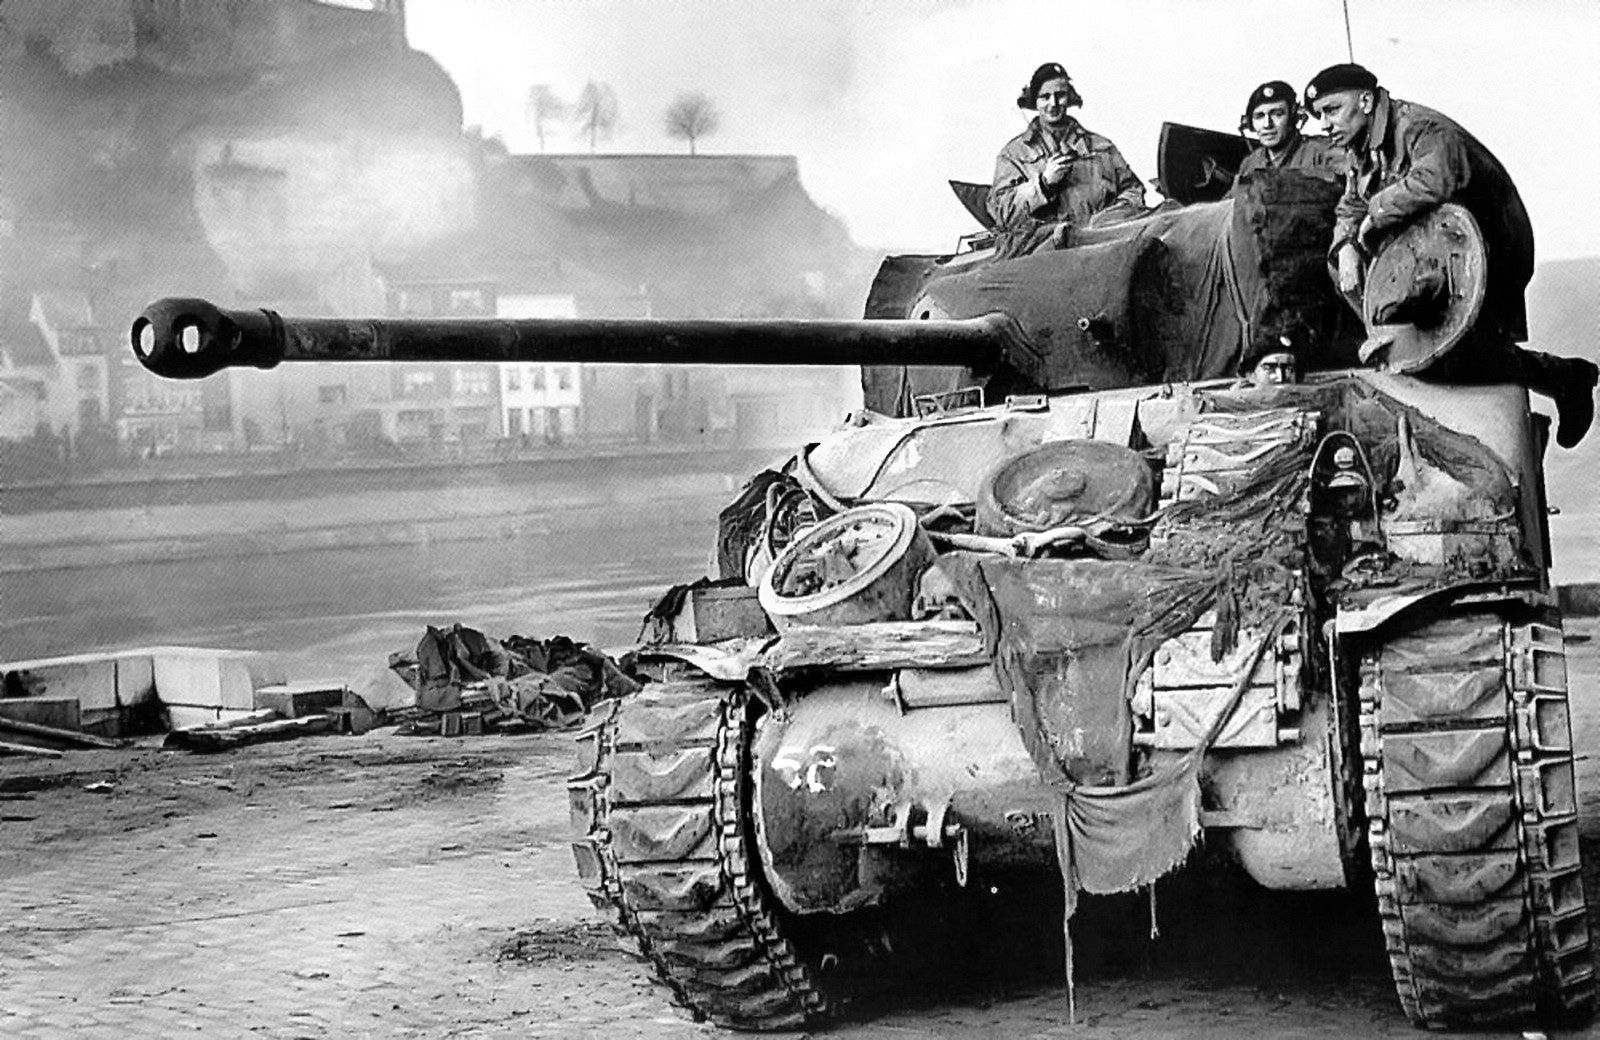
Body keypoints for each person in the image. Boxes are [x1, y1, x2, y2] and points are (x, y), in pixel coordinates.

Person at [1306, 62, 1598, 448]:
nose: (1325, 123)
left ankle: (1565, 379)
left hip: (1491, 246)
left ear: (1364, 100)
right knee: (1427, 357)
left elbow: (1437, 179)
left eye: (1331, 110)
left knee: (1451, 358)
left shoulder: (1419, 128)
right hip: (1437, 255)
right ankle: (1562, 377)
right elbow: (1349, 207)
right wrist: (1345, 246)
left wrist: (1375, 213)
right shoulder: (1361, 148)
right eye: (1319, 115)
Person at [988, 62, 1146, 257]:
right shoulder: (1013, 155)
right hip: (1046, 261)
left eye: (1060, 95)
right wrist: (1043, 185)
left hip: (1104, 253)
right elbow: (1002, 213)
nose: (1053, 104)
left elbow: (1133, 190)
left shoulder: (1101, 147)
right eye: (1045, 97)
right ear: (1035, 102)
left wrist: (1110, 220)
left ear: (1069, 98)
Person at [1229, 80, 1345, 192]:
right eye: (1259, 116)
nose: (1267, 124)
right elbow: (1232, 203)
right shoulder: (1250, 163)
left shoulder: (1323, 152)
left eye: (1277, 114)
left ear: (1293, 117)